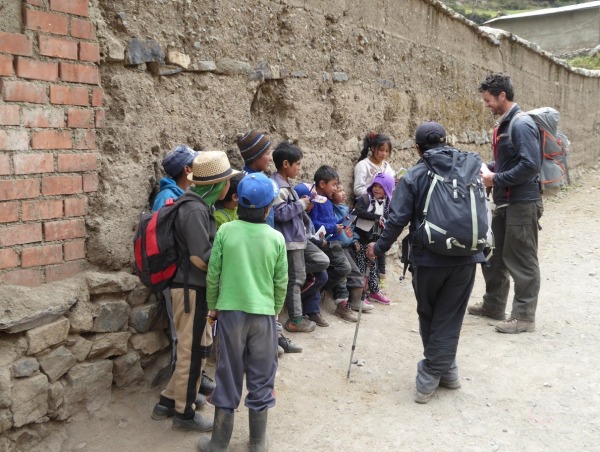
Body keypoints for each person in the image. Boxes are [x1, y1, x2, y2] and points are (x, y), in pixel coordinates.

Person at [367, 122, 486, 403]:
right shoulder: (469, 167)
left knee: (430, 313)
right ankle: (448, 371)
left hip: (429, 258)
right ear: (446, 141)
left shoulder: (416, 175)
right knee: (450, 315)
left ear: (419, 148)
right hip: (467, 256)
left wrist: (379, 247)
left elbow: (397, 219)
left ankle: (430, 375)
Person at [198, 173, 287, 452]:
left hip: (230, 315)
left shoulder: (226, 231)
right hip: (263, 317)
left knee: (227, 372)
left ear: (238, 204)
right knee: (262, 374)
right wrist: (274, 312)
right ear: (268, 209)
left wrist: (213, 307)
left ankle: (219, 442)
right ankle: (258, 442)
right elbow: (280, 281)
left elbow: (213, 274)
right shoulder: (276, 238)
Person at [152, 151, 239, 431]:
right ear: (219, 184)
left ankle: (167, 400)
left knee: (198, 348)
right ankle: (184, 415)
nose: (229, 186)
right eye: (227, 181)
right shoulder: (193, 210)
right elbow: (201, 258)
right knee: (191, 354)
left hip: (193, 289)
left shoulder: (199, 206)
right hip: (189, 291)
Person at [468, 73, 543, 334]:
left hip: (522, 204)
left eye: (488, 100)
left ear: (502, 96)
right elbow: (508, 163)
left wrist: (495, 178)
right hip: (505, 203)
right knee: (494, 256)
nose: (486, 104)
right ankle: (494, 305)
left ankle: (523, 317)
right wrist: (487, 169)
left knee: (521, 258)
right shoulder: (505, 125)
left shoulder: (521, 124)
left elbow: (531, 165)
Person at [237, 131, 302, 353]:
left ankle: (275, 335)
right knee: (260, 294)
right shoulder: (246, 181)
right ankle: (263, 342)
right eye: (266, 153)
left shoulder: (264, 178)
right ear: (254, 157)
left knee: (272, 291)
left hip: (269, 242)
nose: (269, 157)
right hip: (256, 246)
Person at [271, 142, 318, 333]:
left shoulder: (286, 185)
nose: (299, 168)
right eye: (296, 164)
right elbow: (280, 214)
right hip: (289, 241)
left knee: (301, 275)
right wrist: (301, 204)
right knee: (295, 279)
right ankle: (295, 320)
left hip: (296, 239)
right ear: (285, 164)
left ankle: (296, 313)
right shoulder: (278, 187)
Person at [309, 165, 357, 322]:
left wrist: (340, 223)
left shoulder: (327, 202)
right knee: (344, 268)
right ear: (322, 184)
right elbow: (314, 224)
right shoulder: (315, 201)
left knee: (344, 268)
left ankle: (326, 290)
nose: (335, 189)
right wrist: (332, 227)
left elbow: (329, 222)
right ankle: (323, 288)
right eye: (334, 185)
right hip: (325, 243)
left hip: (334, 241)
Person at [353, 133, 396, 291]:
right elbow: (358, 189)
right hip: (368, 212)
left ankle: (377, 283)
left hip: (381, 210)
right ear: (372, 148)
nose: (383, 154)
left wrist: (391, 185)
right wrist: (376, 188)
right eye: (381, 150)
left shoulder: (386, 165)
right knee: (366, 250)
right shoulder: (363, 166)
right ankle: (365, 286)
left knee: (380, 249)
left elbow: (390, 183)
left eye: (386, 151)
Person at [353, 172, 395, 305]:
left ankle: (374, 291)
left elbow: (390, 218)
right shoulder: (365, 199)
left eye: (381, 187)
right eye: (375, 186)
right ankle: (360, 294)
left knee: (373, 266)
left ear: (387, 189)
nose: (376, 189)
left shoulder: (388, 204)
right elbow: (358, 211)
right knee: (360, 267)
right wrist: (376, 217)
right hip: (361, 240)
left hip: (374, 242)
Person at [331, 183, 373, 313]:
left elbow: (350, 227)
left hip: (348, 245)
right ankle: (350, 302)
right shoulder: (331, 210)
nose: (343, 193)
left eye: (344, 190)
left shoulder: (344, 208)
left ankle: (356, 300)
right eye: (339, 191)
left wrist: (354, 239)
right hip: (338, 246)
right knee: (351, 270)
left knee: (356, 271)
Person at [293, 183, 330, 327]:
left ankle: (312, 310)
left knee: (321, 273)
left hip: (308, 254)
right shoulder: (296, 216)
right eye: (311, 202)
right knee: (318, 272)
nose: (313, 206)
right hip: (297, 256)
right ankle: (297, 303)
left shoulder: (307, 216)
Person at [153, 145, 199, 211]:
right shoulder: (165, 197)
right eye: (196, 164)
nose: (200, 167)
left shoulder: (189, 194)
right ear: (187, 170)